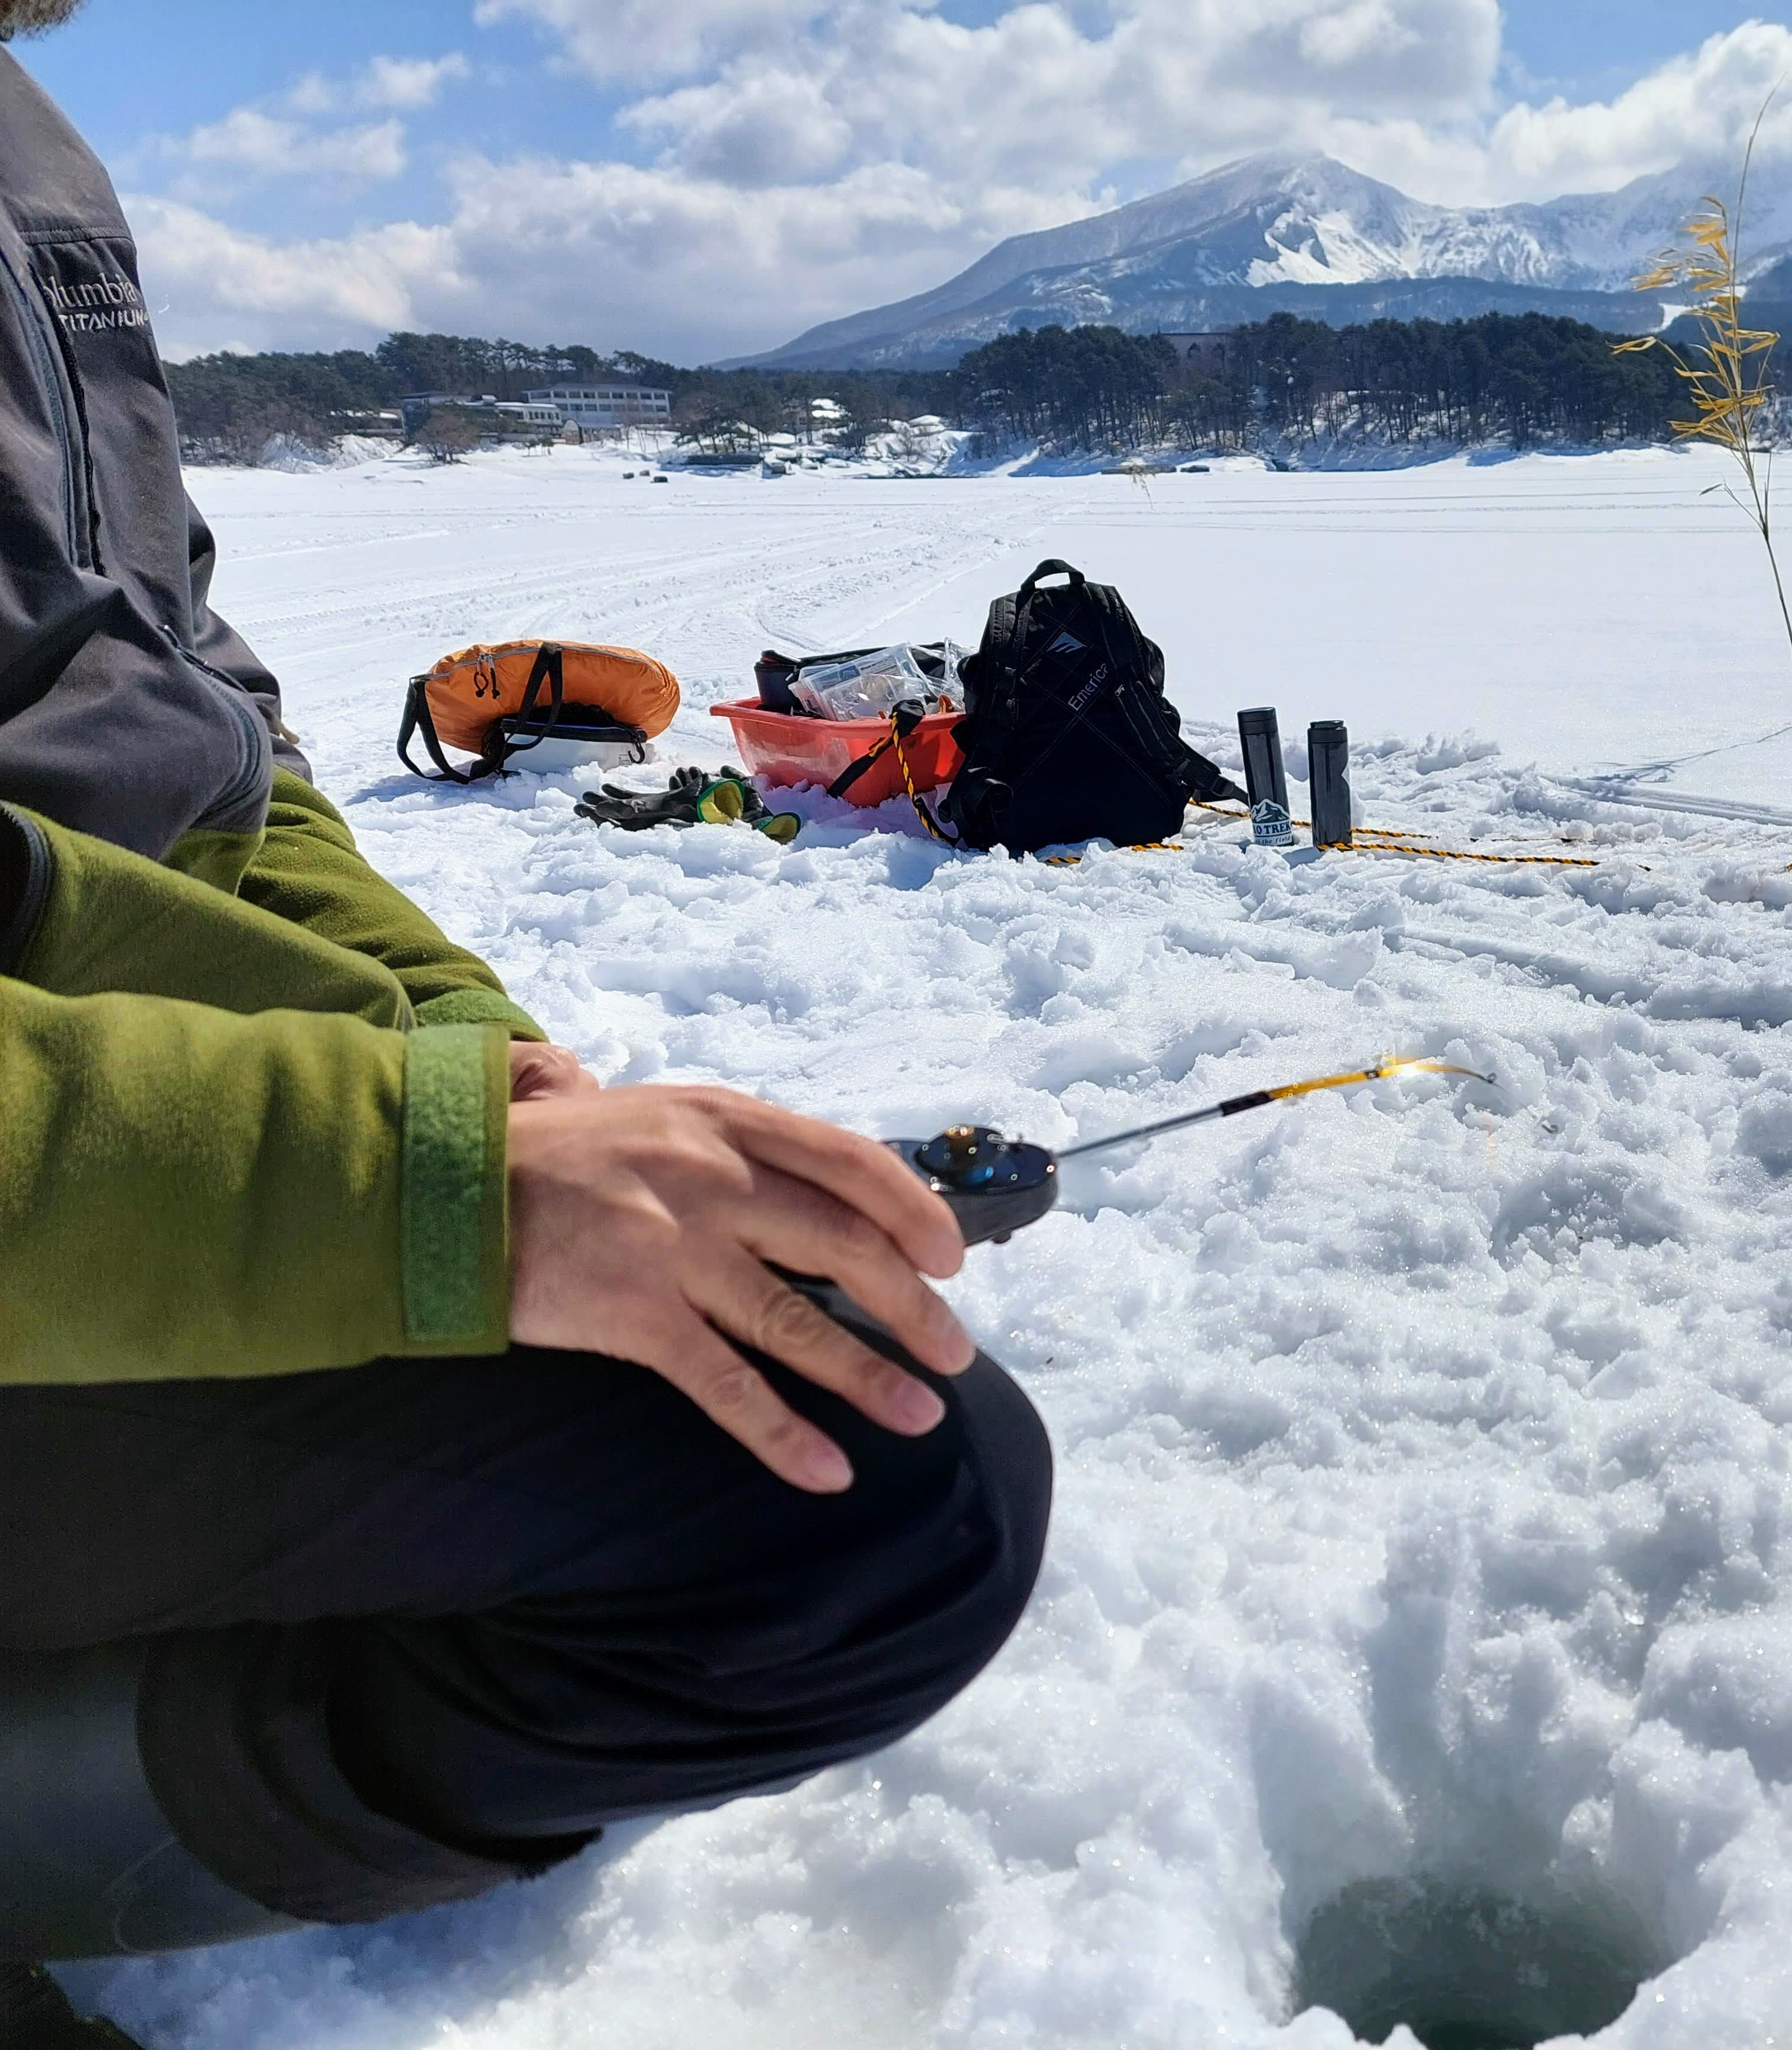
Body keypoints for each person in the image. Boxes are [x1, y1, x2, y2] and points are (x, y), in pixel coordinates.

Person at [0, 4, 1050, 2021]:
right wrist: (430, 1186)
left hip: (149, 1144)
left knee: (869, 1447)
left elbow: (196, 733)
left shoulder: (36, 146)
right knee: (877, 1512)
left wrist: (471, 1064)